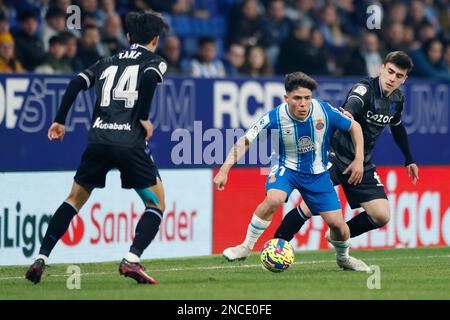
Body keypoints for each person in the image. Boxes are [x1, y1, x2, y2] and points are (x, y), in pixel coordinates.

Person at [25, 10, 169, 285]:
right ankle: (132, 259)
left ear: (128, 37)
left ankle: (41, 258)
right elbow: (150, 79)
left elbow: (75, 83)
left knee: (74, 199)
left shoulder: (107, 61)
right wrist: (142, 117)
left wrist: (59, 120)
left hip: (98, 139)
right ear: (155, 38)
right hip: (129, 141)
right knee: (156, 203)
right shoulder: (154, 61)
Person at [216, 72, 370, 272]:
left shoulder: (323, 110)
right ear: (286, 98)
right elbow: (246, 140)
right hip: (286, 168)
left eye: (307, 98)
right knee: (274, 199)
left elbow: (354, 127)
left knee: (339, 227)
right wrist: (224, 169)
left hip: (317, 174)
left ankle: (344, 258)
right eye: (297, 98)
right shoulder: (274, 117)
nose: (303, 103)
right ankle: (245, 247)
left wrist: (359, 159)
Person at [273, 52, 419, 247]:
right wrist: (348, 112)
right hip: (334, 155)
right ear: (382, 68)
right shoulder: (364, 89)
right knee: (309, 206)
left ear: (404, 79)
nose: (392, 79)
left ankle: (338, 235)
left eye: (399, 76)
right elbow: (352, 105)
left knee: (381, 215)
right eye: (390, 72)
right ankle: (276, 245)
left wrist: (409, 158)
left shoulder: (397, 100)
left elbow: (397, 126)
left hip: (361, 163)